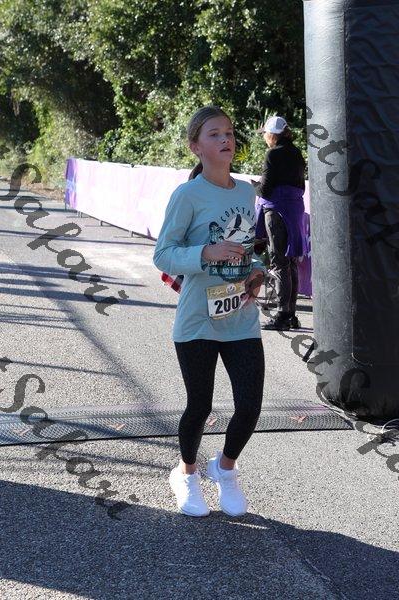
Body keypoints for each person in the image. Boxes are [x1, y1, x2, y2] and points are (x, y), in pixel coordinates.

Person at [153, 106, 266, 518]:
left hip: (241, 318)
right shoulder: (187, 195)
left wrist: (256, 271)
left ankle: (225, 468)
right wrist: (206, 253)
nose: (225, 139)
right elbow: (163, 254)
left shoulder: (246, 192)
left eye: (229, 132)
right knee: (199, 407)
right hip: (198, 320)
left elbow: (246, 248)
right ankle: (185, 473)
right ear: (195, 147)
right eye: (214, 134)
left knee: (249, 407)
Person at [255, 115, 306, 331]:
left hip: (277, 210)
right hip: (295, 209)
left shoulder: (273, 154)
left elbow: (265, 189)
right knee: (291, 260)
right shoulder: (297, 153)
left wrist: (254, 187)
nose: (264, 138)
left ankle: (282, 315)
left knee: (278, 261)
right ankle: (291, 314)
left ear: (271, 135)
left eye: (265, 134)